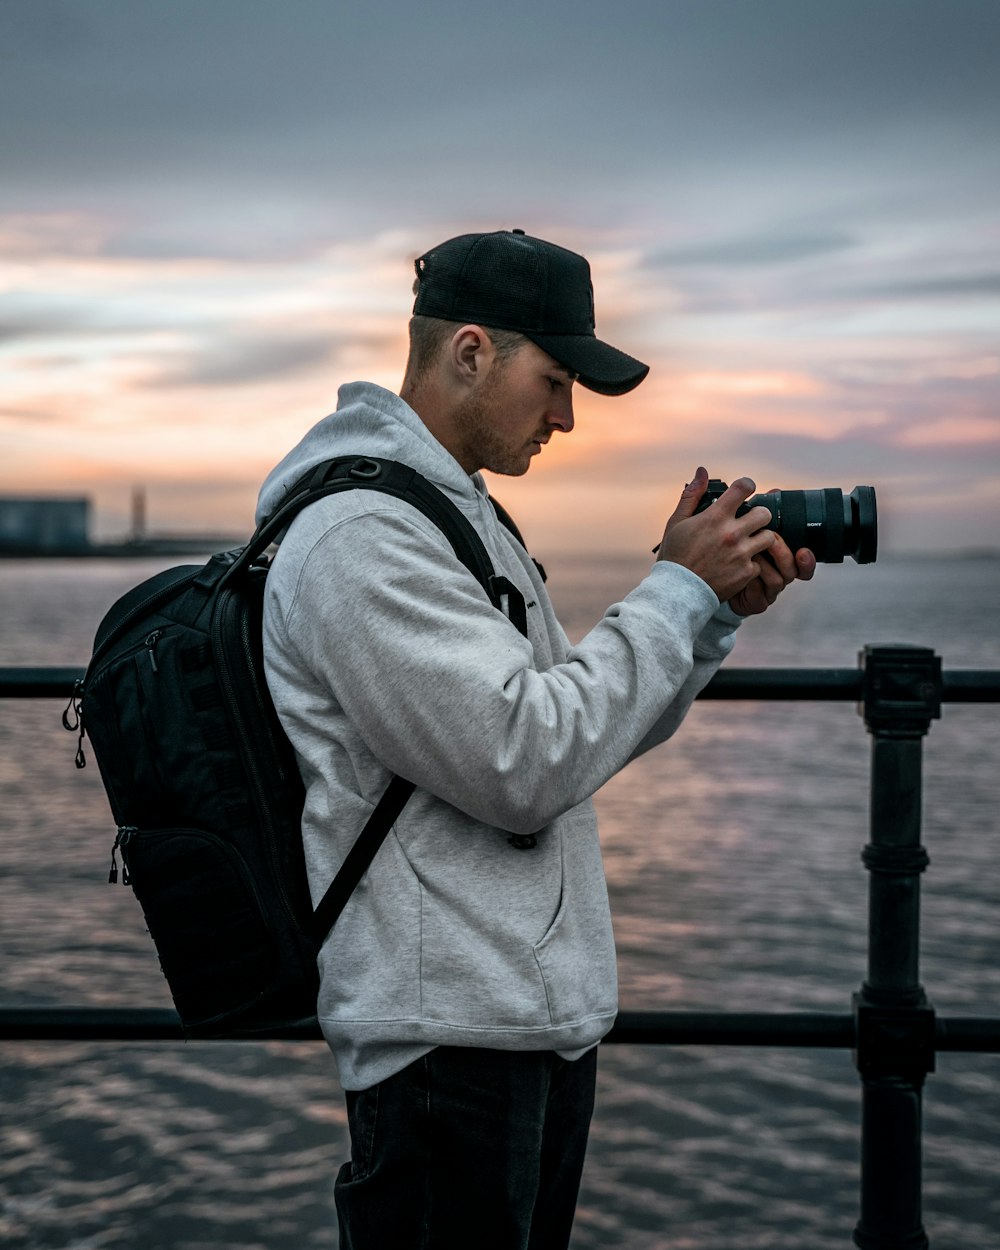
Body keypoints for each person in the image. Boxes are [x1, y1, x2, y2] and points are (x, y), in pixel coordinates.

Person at [256, 228, 815, 1249]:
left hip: (510, 1022)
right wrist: (675, 588)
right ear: (471, 351)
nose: (566, 418)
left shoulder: (451, 514)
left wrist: (708, 613)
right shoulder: (362, 534)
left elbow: (582, 726)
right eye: (554, 380)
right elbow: (524, 762)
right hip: (443, 1043)